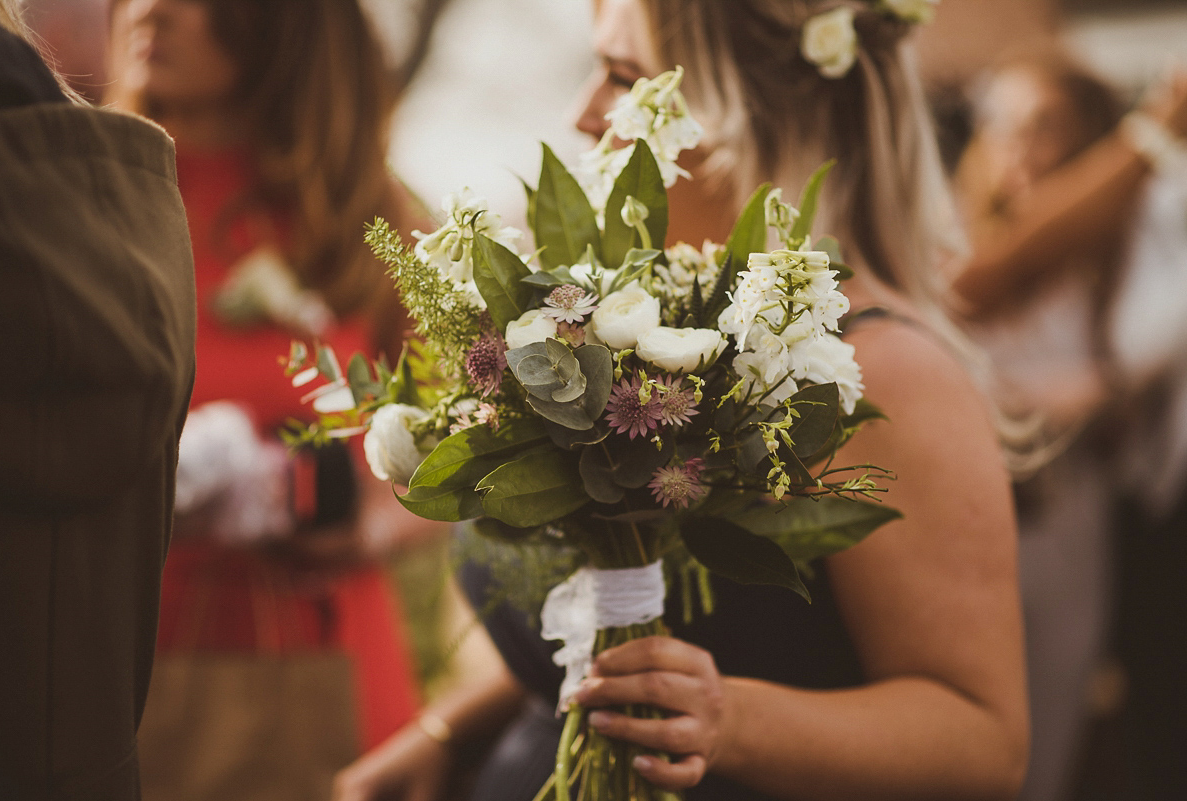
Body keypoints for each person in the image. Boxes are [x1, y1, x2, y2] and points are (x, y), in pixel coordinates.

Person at [334, 1, 1028, 800]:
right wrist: (449, 732)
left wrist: (729, 721)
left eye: (624, 77)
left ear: (750, 113)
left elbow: (985, 742)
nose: (583, 112)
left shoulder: (882, 375)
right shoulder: (622, 343)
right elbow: (624, 623)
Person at [106, 0, 440, 797]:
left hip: (324, 666)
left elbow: (468, 449)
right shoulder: (86, 200)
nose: (151, 8)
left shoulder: (369, 218)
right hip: (109, 665)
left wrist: (368, 519)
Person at [951, 54, 1187, 801]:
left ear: (1087, 138)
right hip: (973, 521)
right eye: (1000, 124)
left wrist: (1110, 394)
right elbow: (982, 283)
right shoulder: (950, 237)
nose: (1014, 146)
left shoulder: (1124, 248)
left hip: (1074, 519)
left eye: (1042, 126)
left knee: (1053, 725)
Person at [0, 2, 196, 799]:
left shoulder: (361, 221)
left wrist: (315, 490)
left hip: (283, 643)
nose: (148, 10)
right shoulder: (85, 172)